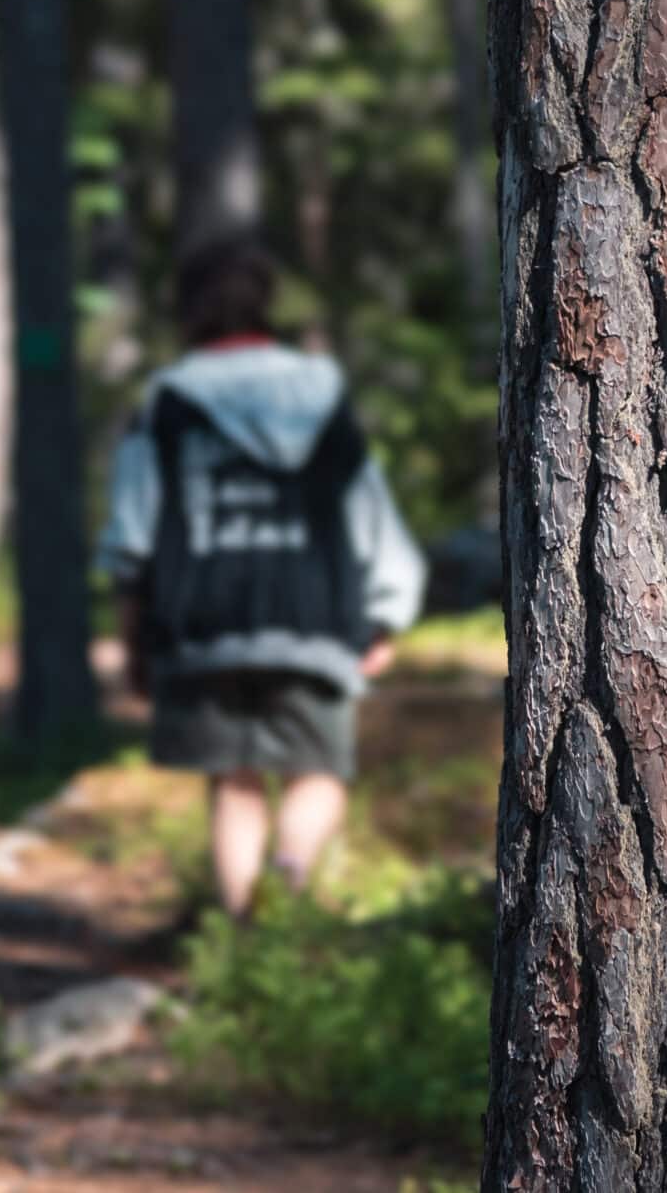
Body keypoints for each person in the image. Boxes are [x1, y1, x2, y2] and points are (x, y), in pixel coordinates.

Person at [99, 237, 426, 917]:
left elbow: (134, 529)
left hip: (200, 620)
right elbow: (366, 505)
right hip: (315, 616)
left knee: (232, 780)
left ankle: (247, 935)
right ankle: (292, 868)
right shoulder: (321, 391)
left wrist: (133, 640)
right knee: (321, 772)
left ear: (186, 311)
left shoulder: (167, 400)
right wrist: (387, 609)